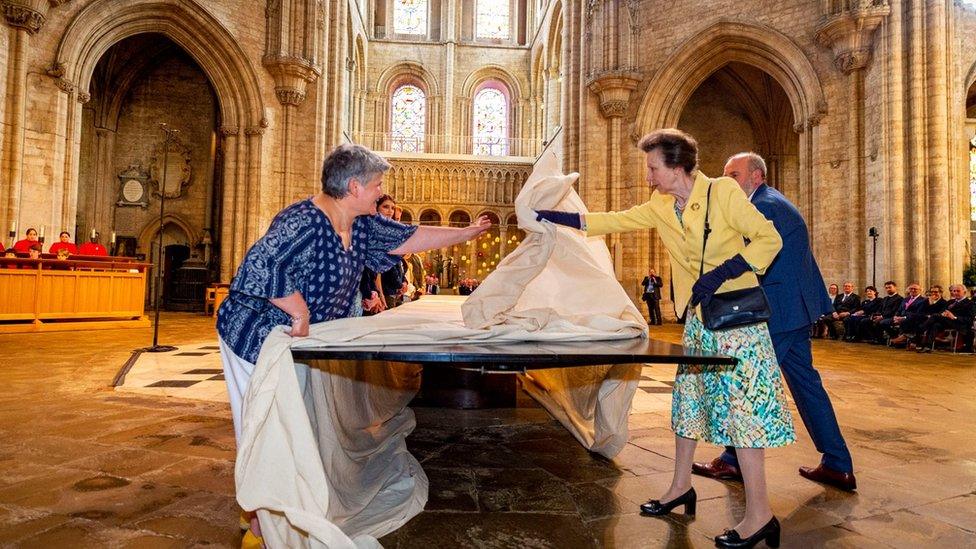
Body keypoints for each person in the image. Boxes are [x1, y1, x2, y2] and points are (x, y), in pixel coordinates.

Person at [216, 144, 489, 540]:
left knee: (295, 423)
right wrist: (300, 310)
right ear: (355, 186)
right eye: (377, 185)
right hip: (252, 335)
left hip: (295, 343)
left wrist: (465, 233)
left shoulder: (360, 224)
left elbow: (411, 237)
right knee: (260, 424)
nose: (382, 192)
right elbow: (259, 266)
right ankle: (258, 518)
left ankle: (279, 500)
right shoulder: (302, 221)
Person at [536, 130, 792, 548]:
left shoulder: (723, 192)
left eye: (653, 168)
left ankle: (760, 515)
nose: (649, 177)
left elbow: (769, 238)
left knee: (744, 414)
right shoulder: (660, 205)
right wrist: (558, 218)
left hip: (737, 323)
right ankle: (679, 487)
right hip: (698, 320)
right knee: (688, 404)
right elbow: (616, 220)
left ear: (676, 167)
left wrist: (723, 272)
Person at [691, 152, 856, 493]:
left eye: (732, 175)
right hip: (792, 310)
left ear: (756, 176)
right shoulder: (771, 201)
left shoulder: (766, 206)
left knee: (747, 383)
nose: (726, 182)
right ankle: (838, 465)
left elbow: (748, 259)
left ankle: (733, 460)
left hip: (780, 312)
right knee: (807, 386)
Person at [915, 283, 974, 352]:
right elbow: (940, 312)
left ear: (964, 292)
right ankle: (928, 347)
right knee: (935, 325)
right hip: (947, 322)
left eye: (958, 291)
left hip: (959, 324)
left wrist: (954, 317)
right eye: (954, 291)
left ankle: (919, 331)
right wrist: (943, 314)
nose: (955, 293)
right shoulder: (950, 302)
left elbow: (969, 320)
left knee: (934, 316)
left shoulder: (970, 303)